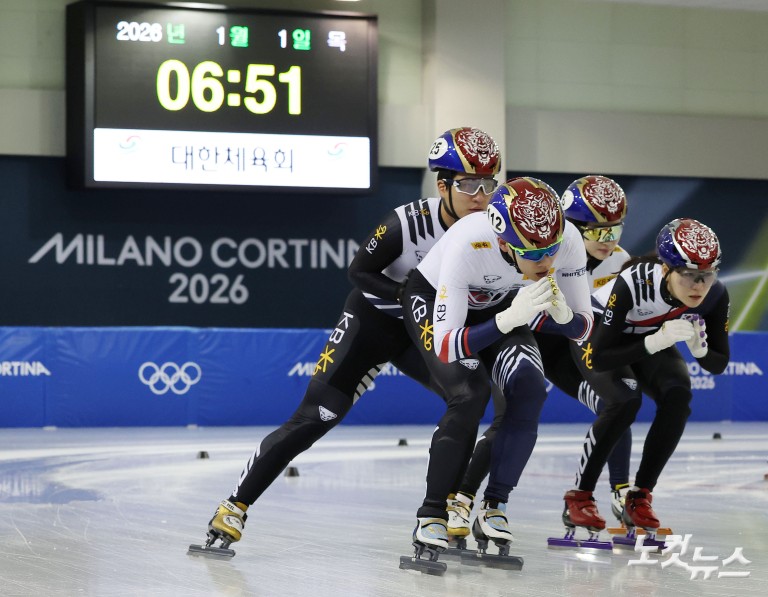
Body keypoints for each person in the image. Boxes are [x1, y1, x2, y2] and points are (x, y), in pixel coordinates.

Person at [189, 127, 502, 555]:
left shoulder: (492, 229)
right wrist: (404, 294)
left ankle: (446, 506)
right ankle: (234, 505)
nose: (481, 195)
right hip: (373, 322)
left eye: (489, 184)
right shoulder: (405, 223)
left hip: (420, 331)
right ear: (442, 184)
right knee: (317, 416)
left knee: (469, 396)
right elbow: (358, 272)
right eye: (469, 184)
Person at [400, 176, 593, 563]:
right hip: (439, 303)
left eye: (552, 249)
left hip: (504, 305)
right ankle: (432, 512)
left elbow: (583, 327)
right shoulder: (469, 242)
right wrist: (508, 320)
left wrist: (561, 315)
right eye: (534, 253)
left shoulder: (567, 239)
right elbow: (447, 343)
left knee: (529, 389)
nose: (547, 261)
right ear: (504, 243)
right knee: (469, 395)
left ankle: (494, 505)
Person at [446, 175, 634, 543]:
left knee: (619, 402)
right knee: (512, 410)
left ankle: (606, 494)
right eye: (597, 231)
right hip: (530, 335)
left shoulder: (619, 262)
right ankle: (464, 497)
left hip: (571, 343)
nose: (608, 241)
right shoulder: (535, 245)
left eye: (615, 230)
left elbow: (596, 327)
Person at [561, 217, 729, 536]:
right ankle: (578, 497)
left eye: (706, 276)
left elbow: (718, 364)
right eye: (689, 276)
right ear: (666, 270)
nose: (699, 286)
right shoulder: (634, 282)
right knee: (624, 400)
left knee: (679, 395)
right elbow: (599, 356)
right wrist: (654, 341)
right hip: (600, 335)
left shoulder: (716, 294)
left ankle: (639, 497)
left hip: (652, 335)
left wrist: (700, 350)